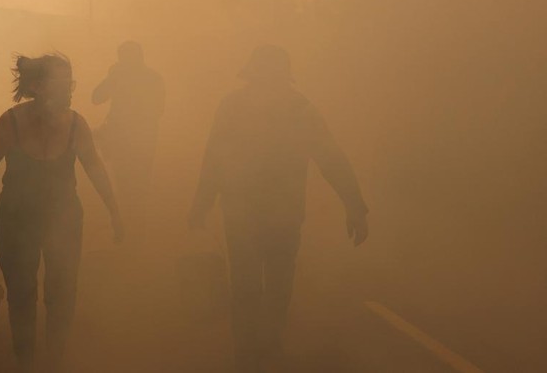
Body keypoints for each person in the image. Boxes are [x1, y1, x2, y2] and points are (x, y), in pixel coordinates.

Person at [187, 45, 369, 372]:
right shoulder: (295, 109)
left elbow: (330, 158)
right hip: (266, 214)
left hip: (259, 214)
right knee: (269, 285)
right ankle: (259, 351)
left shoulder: (241, 107)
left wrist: (355, 204)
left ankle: (253, 352)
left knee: (256, 285)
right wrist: (354, 205)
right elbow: (215, 157)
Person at [0, 53, 123, 372]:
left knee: (61, 292)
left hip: (63, 220)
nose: (68, 91)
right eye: (60, 84)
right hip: (16, 221)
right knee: (21, 294)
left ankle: (55, 360)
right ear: (37, 85)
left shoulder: (76, 124)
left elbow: (96, 169)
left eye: (70, 83)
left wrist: (115, 212)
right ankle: (25, 361)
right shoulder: (11, 122)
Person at [92, 41, 165, 229]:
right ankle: (134, 230)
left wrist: (114, 78)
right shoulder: (153, 78)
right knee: (136, 187)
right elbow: (96, 98)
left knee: (129, 187)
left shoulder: (123, 77)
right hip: (139, 143)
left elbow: (97, 97)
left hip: (134, 143)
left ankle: (131, 229)